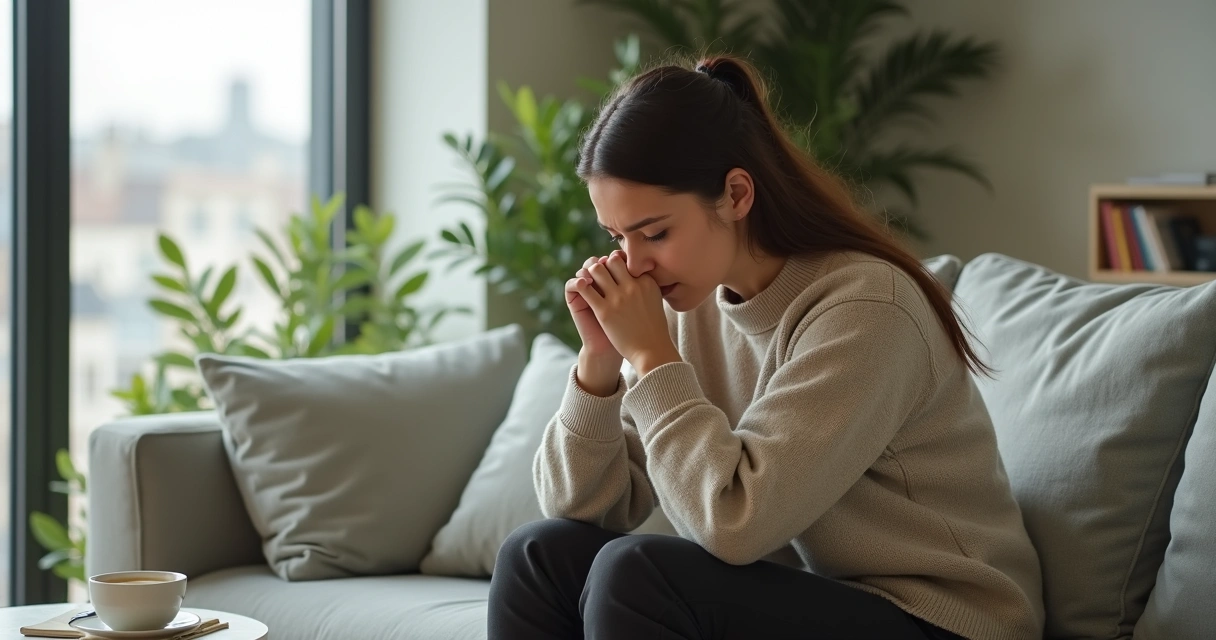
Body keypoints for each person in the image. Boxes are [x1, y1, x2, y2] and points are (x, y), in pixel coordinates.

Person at [486, 54, 1045, 640]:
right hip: (810, 602)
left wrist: (651, 362)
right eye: (618, 237)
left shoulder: (866, 308)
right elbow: (583, 509)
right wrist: (599, 362)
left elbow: (736, 523)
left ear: (735, 194)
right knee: (537, 554)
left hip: (942, 619)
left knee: (640, 574)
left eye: (654, 233)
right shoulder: (687, 304)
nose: (634, 262)